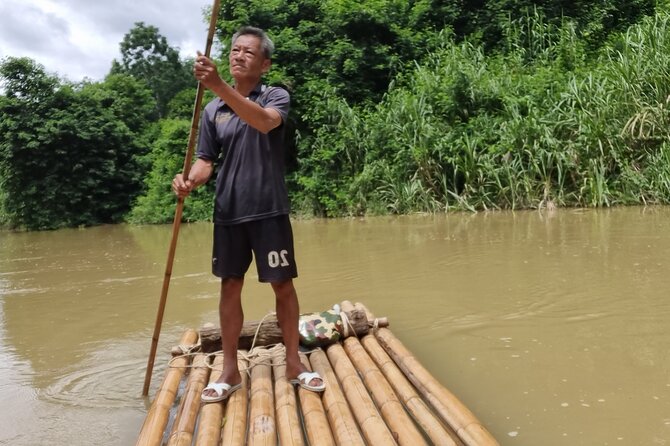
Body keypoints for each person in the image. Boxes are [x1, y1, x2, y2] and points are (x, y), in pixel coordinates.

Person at [172, 26, 325, 403]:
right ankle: (229, 370)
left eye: (248, 52)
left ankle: (293, 363)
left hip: (268, 208)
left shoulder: (275, 95)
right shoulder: (212, 110)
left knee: (283, 285)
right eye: (235, 50)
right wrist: (188, 180)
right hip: (228, 211)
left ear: (265, 63)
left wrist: (219, 86)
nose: (238, 55)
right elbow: (207, 161)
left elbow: (264, 121)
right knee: (229, 286)